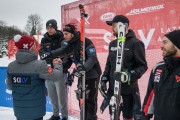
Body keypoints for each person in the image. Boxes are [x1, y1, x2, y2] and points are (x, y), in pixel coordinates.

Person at [41, 24, 102, 120]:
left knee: (90, 99)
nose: (64, 36)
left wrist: (84, 68)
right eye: (63, 34)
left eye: (66, 34)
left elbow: (92, 58)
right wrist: (59, 63)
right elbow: (68, 61)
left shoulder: (84, 41)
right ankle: (83, 117)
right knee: (81, 98)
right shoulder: (68, 44)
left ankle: (91, 118)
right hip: (81, 74)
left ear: (72, 34)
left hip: (92, 74)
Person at [99, 15, 148, 120]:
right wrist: (104, 79)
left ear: (122, 26)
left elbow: (142, 66)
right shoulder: (112, 43)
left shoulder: (136, 43)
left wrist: (130, 75)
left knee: (127, 117)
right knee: (113, 116)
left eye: (114, 25)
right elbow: (109, 64)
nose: (111, 28)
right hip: (113, 89)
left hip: (128, 90)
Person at [6, 35, 63, 120]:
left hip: (19, 112)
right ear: (30, 48)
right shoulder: (40, 65)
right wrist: (58, 65)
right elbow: (56, 76)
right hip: (36, 113)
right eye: (34, 45)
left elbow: (10, 85)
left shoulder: (11, 66)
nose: (36, 47)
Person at [142, 30, 180, 120]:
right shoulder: (158, 67)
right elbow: (151, 94)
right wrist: (144, 116)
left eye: (165, 42)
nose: (161, 46)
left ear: (177, 44)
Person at [39, 19, 68, 120]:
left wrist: (50, 54)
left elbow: (63, 52)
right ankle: (55, 115)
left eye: (51, 28)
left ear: (55, 27)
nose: (49, 30)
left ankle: (64, 116)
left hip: (59, 69)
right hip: (48, 69)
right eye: (48, 28)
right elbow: (41, 53)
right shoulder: (44, 39)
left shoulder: (61, 37)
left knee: (61, 96)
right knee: (52, 95)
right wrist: (48, 56)